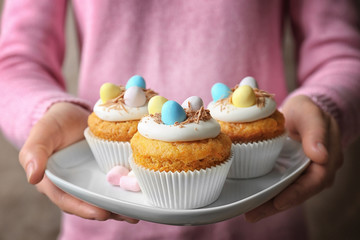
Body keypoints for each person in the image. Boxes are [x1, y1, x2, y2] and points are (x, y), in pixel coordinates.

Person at [0, 0, 359, 239]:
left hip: (261, 214)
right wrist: (43, 112)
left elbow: (340, 49)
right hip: (102, 217)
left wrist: (325, 105)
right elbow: (14, 60)